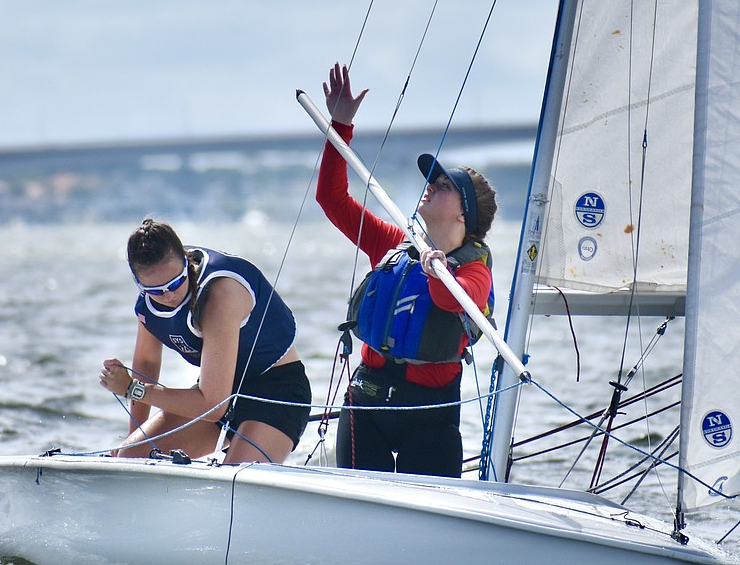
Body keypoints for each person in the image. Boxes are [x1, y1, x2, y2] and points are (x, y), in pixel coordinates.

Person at [317, 62, 497, 477]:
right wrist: (340, 125)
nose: (430, 185)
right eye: (432, 181)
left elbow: (451, 298)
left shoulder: (474, 269)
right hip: (367, 403)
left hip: (429, 416)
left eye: (444, 185)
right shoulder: (393, 245)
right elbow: (332, 199)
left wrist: (438, 269)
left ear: (463, 217)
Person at [99, 219, 312, 464]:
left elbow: (213, 405)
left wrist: (131, 389)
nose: (168, 295)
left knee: (234, 479)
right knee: (132, 457)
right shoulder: (149, 304)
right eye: (156, 291)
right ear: (139, 283)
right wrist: (134, 437)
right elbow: (146, 363)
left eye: (176, 283)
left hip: (277, 392)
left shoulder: (221, 295)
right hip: (221, 389)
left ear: (186, 261)